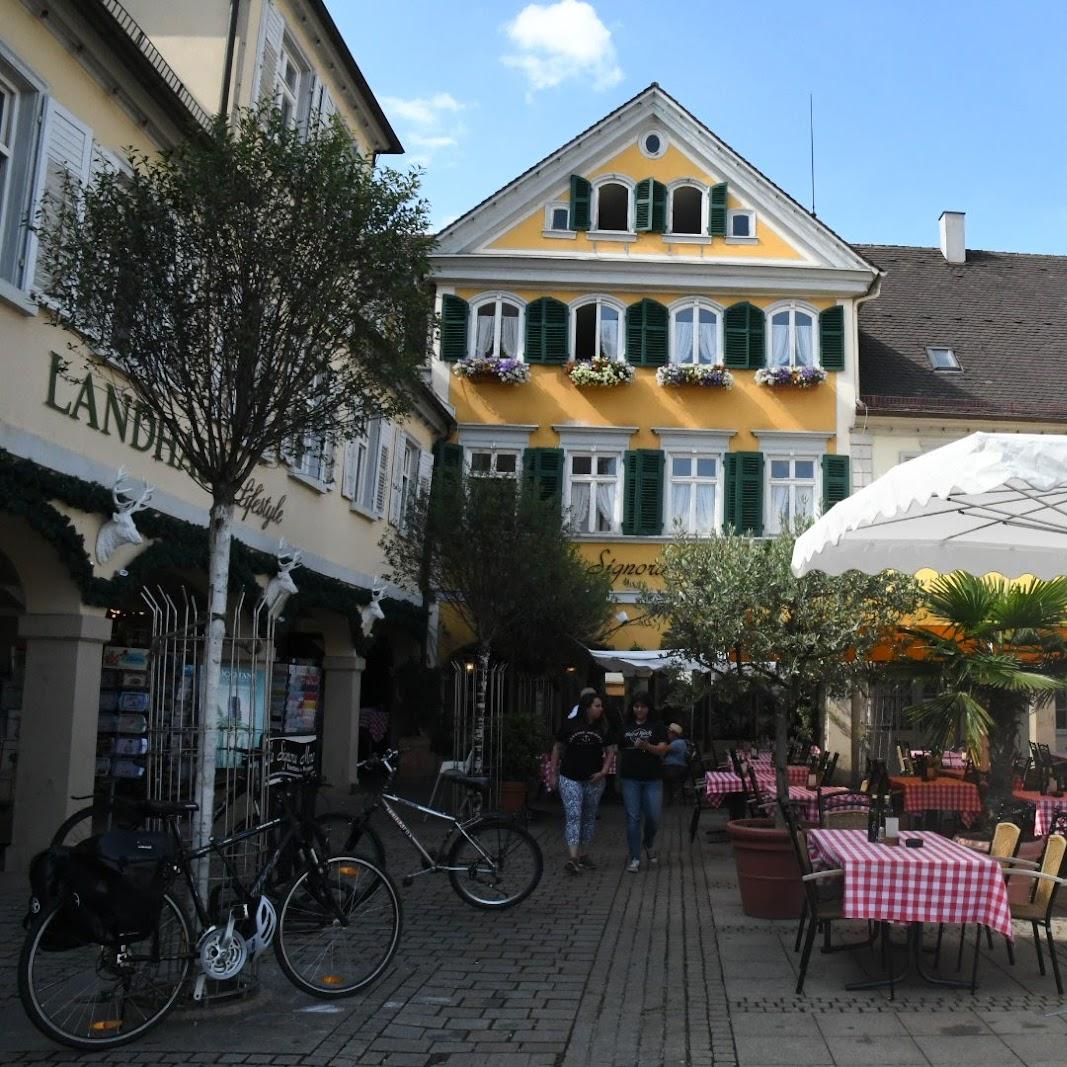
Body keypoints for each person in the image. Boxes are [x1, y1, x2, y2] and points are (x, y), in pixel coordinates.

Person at [549, 691, 616, 875]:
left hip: (594, 779)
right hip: (570, 777)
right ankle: (573, 857)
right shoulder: (569, 725)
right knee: (573, 815)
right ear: (587, 707)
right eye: (597, 706)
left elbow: (610, 751)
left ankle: (583, 853)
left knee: (588, 816)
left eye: (601, 706)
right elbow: (557, 748)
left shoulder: (603, 727)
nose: (600, 709)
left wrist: (604, 771)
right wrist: (553, 773)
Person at [617, 691, 669, 872]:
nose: (639, 710)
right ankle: (634, 857)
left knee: (653, 817)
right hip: (630, 778)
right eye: (636, 706)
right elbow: (619, 750)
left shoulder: (657, 725)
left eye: (643, 707)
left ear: (649, 708)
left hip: (653, 778)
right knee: (633, 818)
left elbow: (663, 749)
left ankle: (648, 842)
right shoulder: (625, 726)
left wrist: (647, 746)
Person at [662, 722, 689, 805]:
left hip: (674, 768)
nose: (667, 734)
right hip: (675, 768)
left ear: (674, 734)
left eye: (669, 733)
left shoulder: (677, 743)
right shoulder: (680, 742)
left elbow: (663, 750)